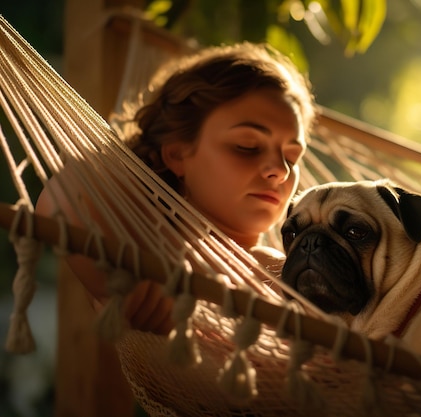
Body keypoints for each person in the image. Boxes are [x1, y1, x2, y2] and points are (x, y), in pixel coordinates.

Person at [36, 42, 317, 335]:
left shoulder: (283, 268)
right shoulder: (144, 253)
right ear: (178, 155)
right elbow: (66, 190)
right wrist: (164, 274)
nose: (281, 170)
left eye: (292, 156)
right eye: (247, 146)